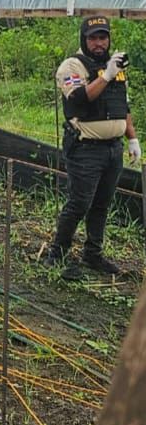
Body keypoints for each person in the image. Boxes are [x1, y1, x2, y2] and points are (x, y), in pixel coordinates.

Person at [44, 15, 141, 277]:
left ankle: (93, 255)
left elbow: (122, 105)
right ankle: (57, 253)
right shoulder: (72, 66)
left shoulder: (115, 68)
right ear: (84, 40)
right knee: (79, 203)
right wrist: (107, 74)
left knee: (102, 204)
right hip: (86, 148)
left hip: (112, 148)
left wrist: (132, 138)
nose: (99, 43)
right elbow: (79, 98)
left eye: (103, 37)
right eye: (93, 38)